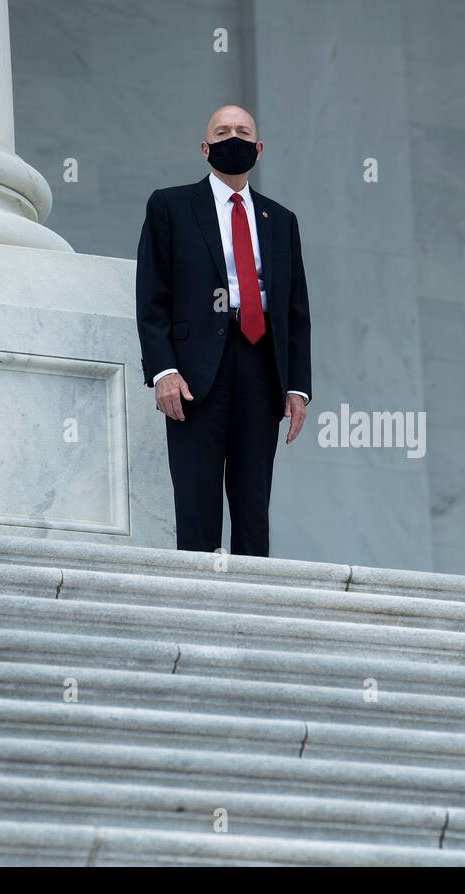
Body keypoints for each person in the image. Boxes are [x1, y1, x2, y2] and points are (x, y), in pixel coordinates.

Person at [135, 105, 312, 556]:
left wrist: (297, 387)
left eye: (243, 131)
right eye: (222, 131)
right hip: (194, 371)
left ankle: (253, 598)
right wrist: (163, 371)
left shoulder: (281, 220)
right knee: (196, 500)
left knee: (253, 504)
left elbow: (295, 310)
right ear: (205, 147)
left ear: (259, 148)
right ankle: (198, 596)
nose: (233, 137)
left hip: (261, 364)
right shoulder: (170, 206)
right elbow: (152, 295)